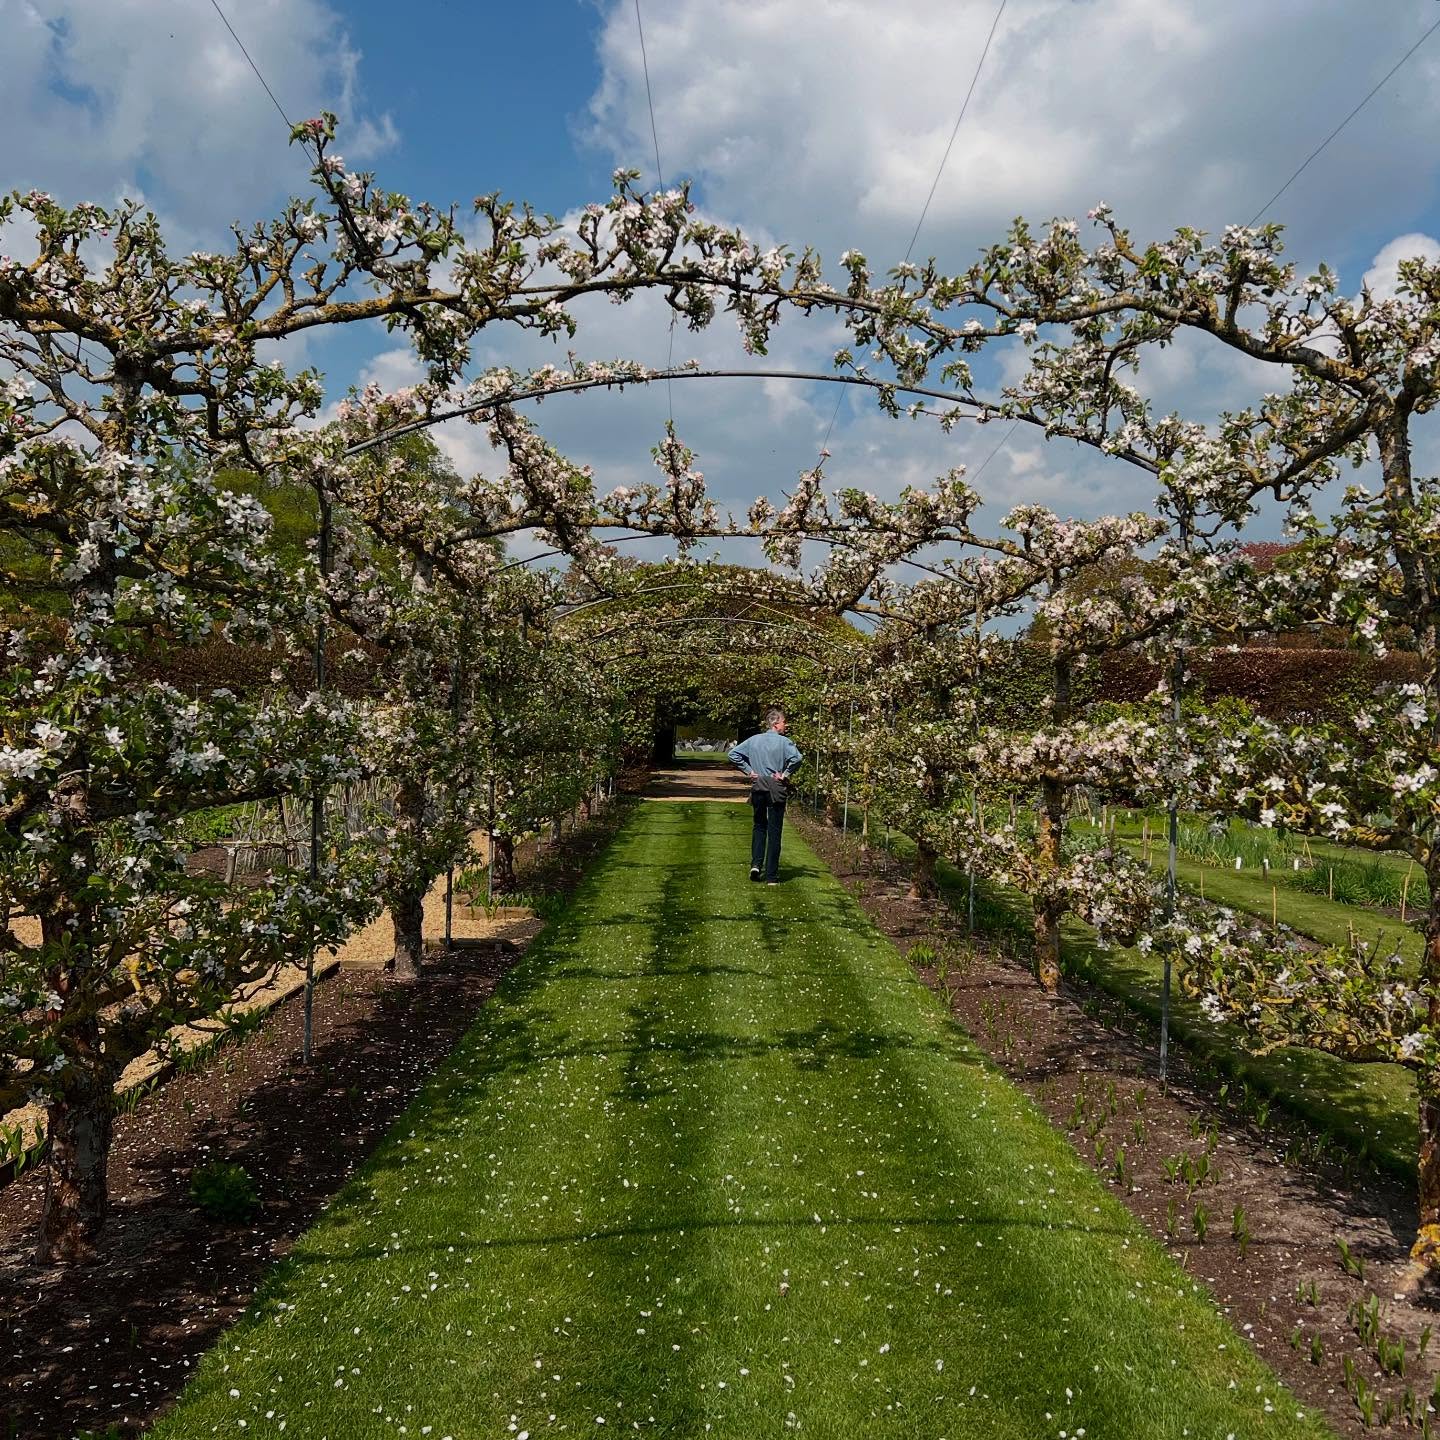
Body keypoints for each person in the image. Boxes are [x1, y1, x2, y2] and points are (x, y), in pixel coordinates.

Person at [728, 709, 803, 884]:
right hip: (775, 787)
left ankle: (756, 864)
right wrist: (785, 774)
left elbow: (733, 754)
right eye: (784, 722)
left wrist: (749, 771)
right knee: (775, 831)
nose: (786, 725)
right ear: (776, 724)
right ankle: (771, 876)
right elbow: (797, 758)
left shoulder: (754, 740)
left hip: (758, 786)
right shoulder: (785, 742)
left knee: (759, 825)